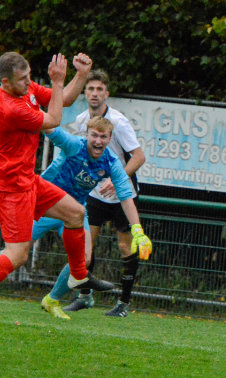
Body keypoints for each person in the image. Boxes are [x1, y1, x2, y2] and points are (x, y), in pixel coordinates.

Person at [0, 51, 113, 294]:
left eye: (29, 76)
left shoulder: (26, 89)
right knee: (17, 255)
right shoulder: (9, 108)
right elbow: (53, 119)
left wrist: (81, 75)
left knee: (75, 213)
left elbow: (63, 100)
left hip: (29, 181)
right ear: (6, 82)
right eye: (22, 79)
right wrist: (58, 80)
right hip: (13, 189)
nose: (29, 82)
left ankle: (78, 276)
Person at [36, 117, 152, 319]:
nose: (98, 141)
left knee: (84, 258)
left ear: (109, 138)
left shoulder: (111, 162)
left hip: (75, 213)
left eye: (103, 137)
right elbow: (49, 128)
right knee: (18, 252)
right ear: (86, 135)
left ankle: (52, 300)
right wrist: (26, 109)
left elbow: (126, 198)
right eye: (94, 135)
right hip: (45, 204)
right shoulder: (74, 145)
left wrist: (138, 232)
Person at [62, 69, 147, 317]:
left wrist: (116, 177)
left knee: (125, 246)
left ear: (106, 94)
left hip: (122, 194)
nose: (95, 93)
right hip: (94, 192)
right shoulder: (81, 121)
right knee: (85, 244)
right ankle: (84, 296)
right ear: (84, 93)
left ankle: (123, 304)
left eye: (99, 89)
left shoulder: (118, 122)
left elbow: (139, 156)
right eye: (90, 89)